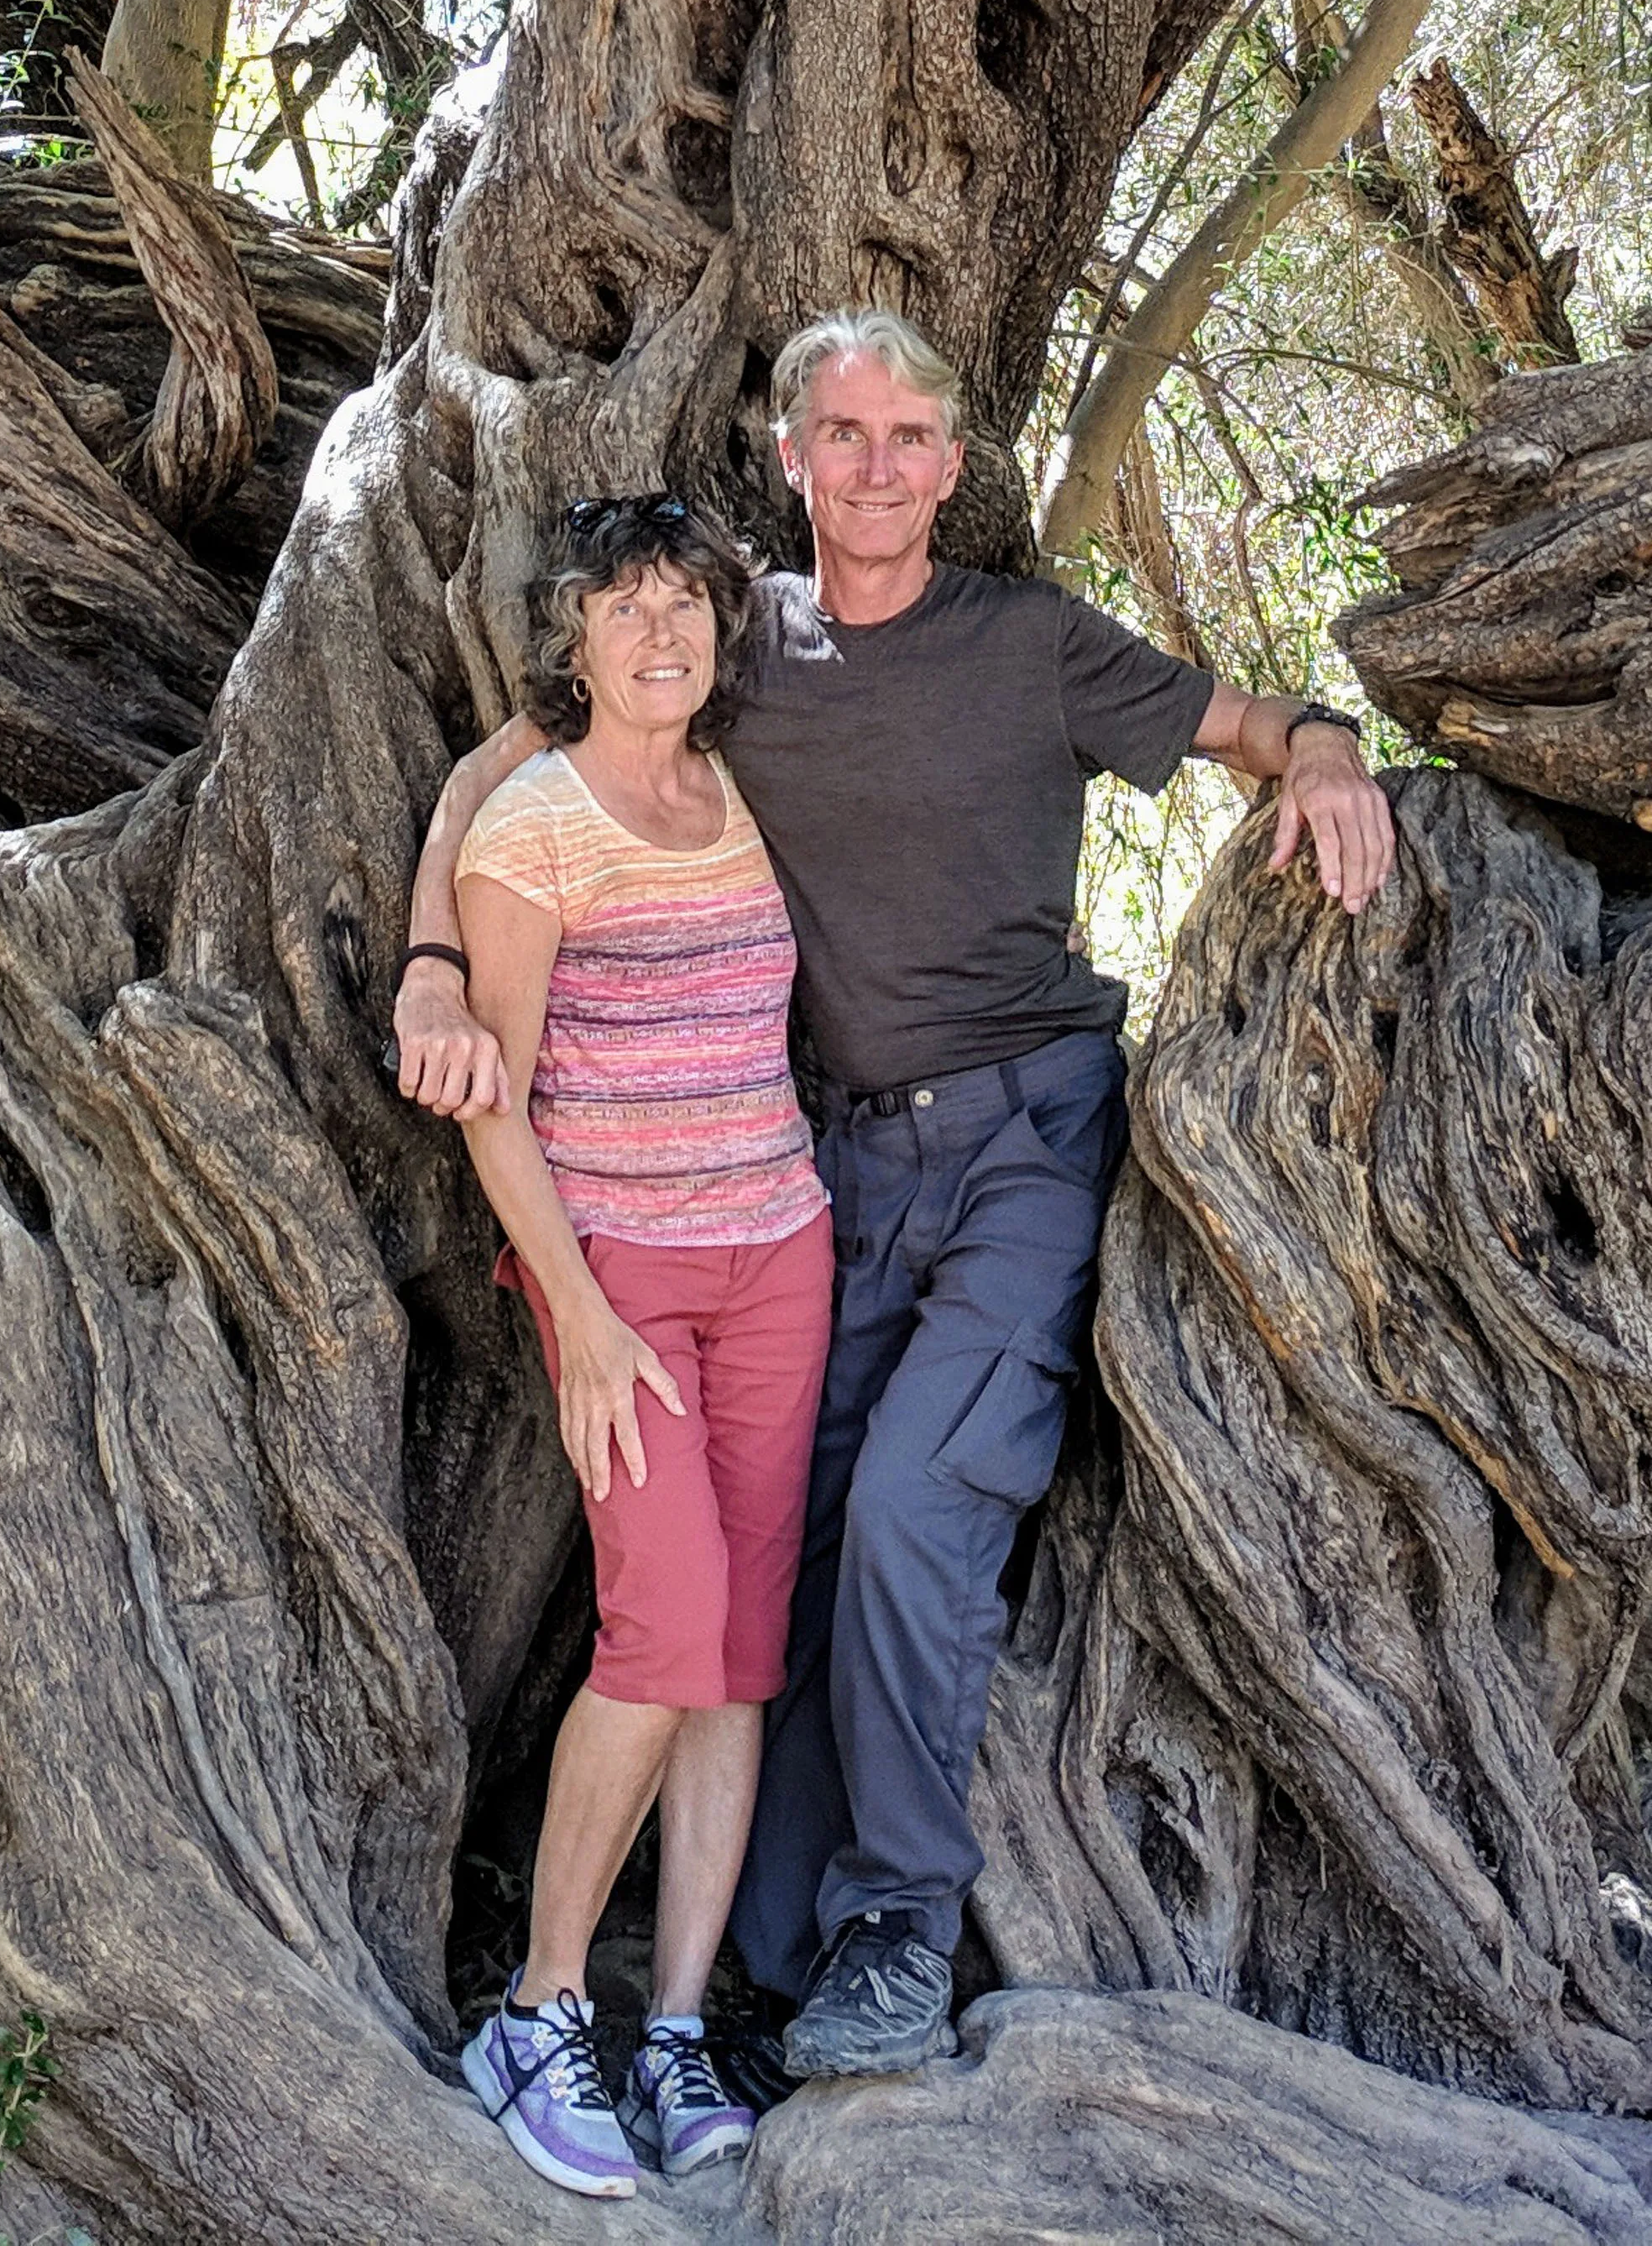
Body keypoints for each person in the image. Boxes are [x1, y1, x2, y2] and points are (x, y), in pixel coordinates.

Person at [397, 311, 1395, 2086]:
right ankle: (740, 1979)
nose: (873, 466)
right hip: (829, 1168)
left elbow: (1252, 720)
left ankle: (895, 1930)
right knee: (789, 1563)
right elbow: (504, 767)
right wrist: (423, 970)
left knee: (925, 1515)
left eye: (908, 434)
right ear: (788, 460)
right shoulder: (735, 641)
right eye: (838, 434)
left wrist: (1323, 749)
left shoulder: (1031, 644)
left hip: (1027, 1141)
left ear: (953, 463)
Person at [431, 495, 834, 2197]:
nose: (658, 634)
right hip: (623, 1277)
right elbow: (491, 1105)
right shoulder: (534, 821)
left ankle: (672, 2027)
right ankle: (534, 2012)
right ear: (573, 640)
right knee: (661, 1632)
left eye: (685, 605)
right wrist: (580, 1321)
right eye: (623, 609)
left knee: (736, 1654)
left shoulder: (737, 785)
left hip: (781, 1256)